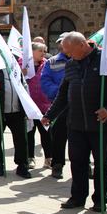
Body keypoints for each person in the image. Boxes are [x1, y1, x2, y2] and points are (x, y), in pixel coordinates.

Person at [42, 32, 107, 212]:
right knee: (77, 162)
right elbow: (63, 94)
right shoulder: (71, 64)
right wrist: (50, 115)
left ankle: (100, 200)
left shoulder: (106, 60)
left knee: (101, 164)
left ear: (81, 45)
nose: (68, 55)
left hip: (101, 123)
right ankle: (77, 197)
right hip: (75, 123)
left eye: (69, 51)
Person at [0, 62, 31, 179]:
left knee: (20, 139)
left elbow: (24, 88)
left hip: (16, 113)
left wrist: (26, 109)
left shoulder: (16, 69)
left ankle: (22, 165)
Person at [40, 33, 71, 179]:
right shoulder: (51, 62)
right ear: (60, 46)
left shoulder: (82, 60)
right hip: (59, 107)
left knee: (81, 139)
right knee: (58, 137)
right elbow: (45, 82)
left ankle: (84, 165)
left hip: (79, 106)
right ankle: (57, 164)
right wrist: (62, 94)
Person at [25, 42, 52, 169]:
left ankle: (49, 158)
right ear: (33, 52)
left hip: (44, 106)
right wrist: (22, 73)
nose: (43, 54)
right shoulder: (23, 63)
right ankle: (30, 158)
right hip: (29, 106)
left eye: (44, 51)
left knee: (46, 133)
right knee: (29, 133)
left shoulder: (48, 64)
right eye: (40, 51)